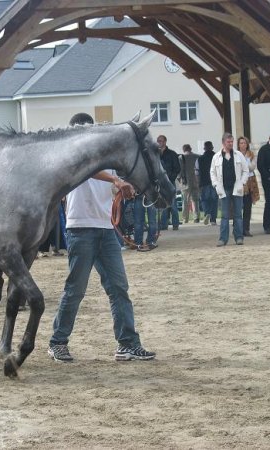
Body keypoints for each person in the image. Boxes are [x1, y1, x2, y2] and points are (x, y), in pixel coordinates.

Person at [48, 113, 155, 363]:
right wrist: (116, 179)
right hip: (80, 228)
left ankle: (128, 343)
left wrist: (121, 188)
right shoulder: (73, 155)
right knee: (75, 290)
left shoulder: (106, 157)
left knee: (119, 288)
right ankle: (58, 341)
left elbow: (107, 182)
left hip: (105, 228)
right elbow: (89, 171)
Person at [210, 132, 248, 247]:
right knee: (224, 216)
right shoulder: (216, 157)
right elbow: (212, 172)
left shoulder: (239, 155)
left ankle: (239, 237)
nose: (231, 144)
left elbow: (245, 170)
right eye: (228, 142)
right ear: (223, 142)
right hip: (223, 189)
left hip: (236, 188)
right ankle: (223, 239)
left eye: (232, 142)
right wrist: (216, 184)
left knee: (238, 215)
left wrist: (242, 182)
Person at [156, 135, 180, 231]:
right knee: (163, 204)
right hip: (160, 183)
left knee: (173, 204)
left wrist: (171, 178)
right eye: (158, 141)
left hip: (170, 182)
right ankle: (164, 225)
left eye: (161, 141)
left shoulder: (172, 154)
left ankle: (175, 224)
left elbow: (177, 168)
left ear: (165, 141)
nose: (159, 142)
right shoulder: (155, 154)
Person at [237, 136, 259, 237]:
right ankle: (237, 229)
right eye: (241, 143)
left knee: (247, 207)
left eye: (244, 143)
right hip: (239, 182)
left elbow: (252, 166)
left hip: (250, 182)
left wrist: (243, 167)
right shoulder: (235, 154)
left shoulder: (251, 155)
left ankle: (246, 229)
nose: (243, 145)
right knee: (238, 207)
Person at [179, 144, 200, 223]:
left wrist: (180, 180)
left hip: (185, 182)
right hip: (196, 181)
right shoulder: (197, 156)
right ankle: (196, 217)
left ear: (184, 149)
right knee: (195, 200)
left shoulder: (181, 158)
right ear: (190, 149)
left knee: (185, 201)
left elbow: (179, 171)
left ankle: (185, 218)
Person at [198, 141, 218, 226]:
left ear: (204, 148)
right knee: (214, 200)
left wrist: (198, 182)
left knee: (204, 200)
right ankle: (213, 219)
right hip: (215, 182)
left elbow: (197, 172)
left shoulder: (200, 158)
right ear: (212, 147)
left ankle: (207, 213)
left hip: (204, 181)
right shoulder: (217, 157)